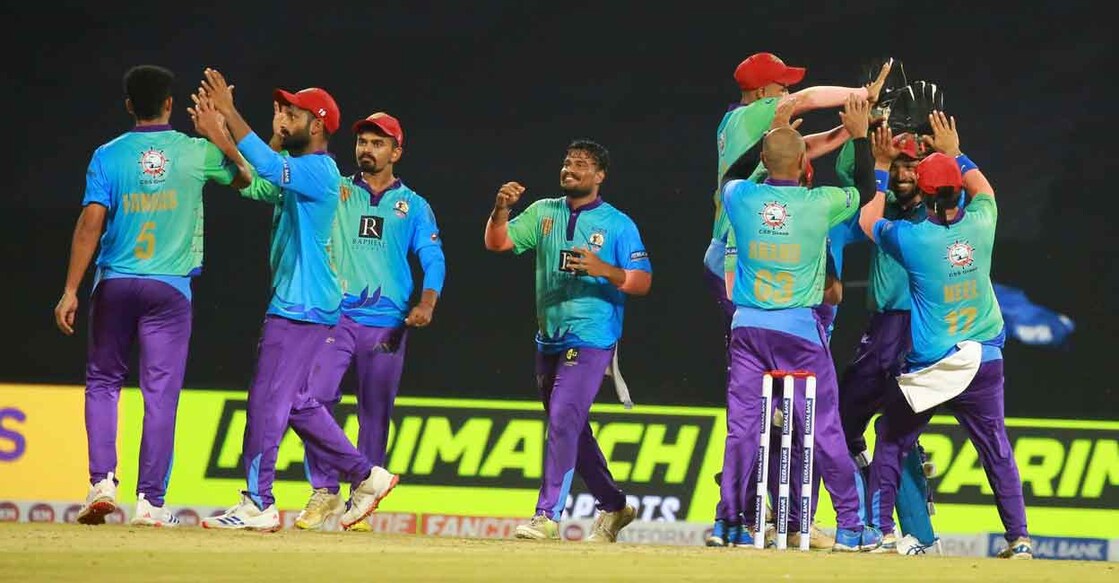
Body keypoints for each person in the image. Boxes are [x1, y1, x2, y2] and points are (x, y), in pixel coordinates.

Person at [189, 68, 396, 532]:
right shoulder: (299, 170)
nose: (283, 117)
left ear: (317, 125)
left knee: (266, 401)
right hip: (306, 303)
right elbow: (252, 182)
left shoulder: (319, 171)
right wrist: (224, 138)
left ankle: (257, 502)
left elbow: (267, 166)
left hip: (300, 305)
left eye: (293, 113)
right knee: (298, 403)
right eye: (282, 110)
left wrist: (229, 114)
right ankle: (368, 476)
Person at [706, 53, 893, 548]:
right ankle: (851, 526)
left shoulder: (740, 198)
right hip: (799, 334)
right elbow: (862, 190)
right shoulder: (820, 203)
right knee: (825, 429)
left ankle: (729, 523)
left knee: (742, 430)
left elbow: (733, 175)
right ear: (805, 165)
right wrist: (858, 133)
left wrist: (776, 135)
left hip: (748, 328)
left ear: (764, 161)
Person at [55, 65, 251, 527]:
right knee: (160, 393)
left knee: (103, 383)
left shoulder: (108, 155)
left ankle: (102, 483)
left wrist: (70, 290)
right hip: (169, 290)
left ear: (129, 106)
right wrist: (221, 135)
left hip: (115, 285)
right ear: (169, 104)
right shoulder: (196, 152)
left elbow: (90, 224)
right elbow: (245, 178)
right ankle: (150, 503)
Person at [859, 112, 1031, 558]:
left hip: (935, 366)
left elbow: (868, 221)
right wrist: (956, 152)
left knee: (890, 439)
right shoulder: (984, 220)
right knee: (996, 450)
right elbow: (984, 188)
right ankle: (1020, 540)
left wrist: (882, 166)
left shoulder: (913, 239)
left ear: (926, 195)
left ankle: (880, 532)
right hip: (985, 359)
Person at [483, 139, 651, 543]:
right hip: (549, 339)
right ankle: (615, 505)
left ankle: (546, 516)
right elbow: (498, 243)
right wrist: (500, 210)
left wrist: (603, 269)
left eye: (581, 164)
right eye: (567, 162)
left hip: (593, 336)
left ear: (600, 176)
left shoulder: (618, 224)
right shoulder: (544, 212)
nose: (570, 169)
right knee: (571, 427)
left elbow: (643, 281)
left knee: (562, 419)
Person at [293, 112, 446, 531]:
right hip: (336, 316)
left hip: (387, 325)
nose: (367, 149)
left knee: (375, 412)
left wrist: (427, 302)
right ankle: (323, 490)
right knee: (315, 397)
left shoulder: (414, 206)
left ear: (396, 152)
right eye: (363, 141)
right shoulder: (337, 189)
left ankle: (362, 498)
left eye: (378, 143)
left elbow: (433, 258)